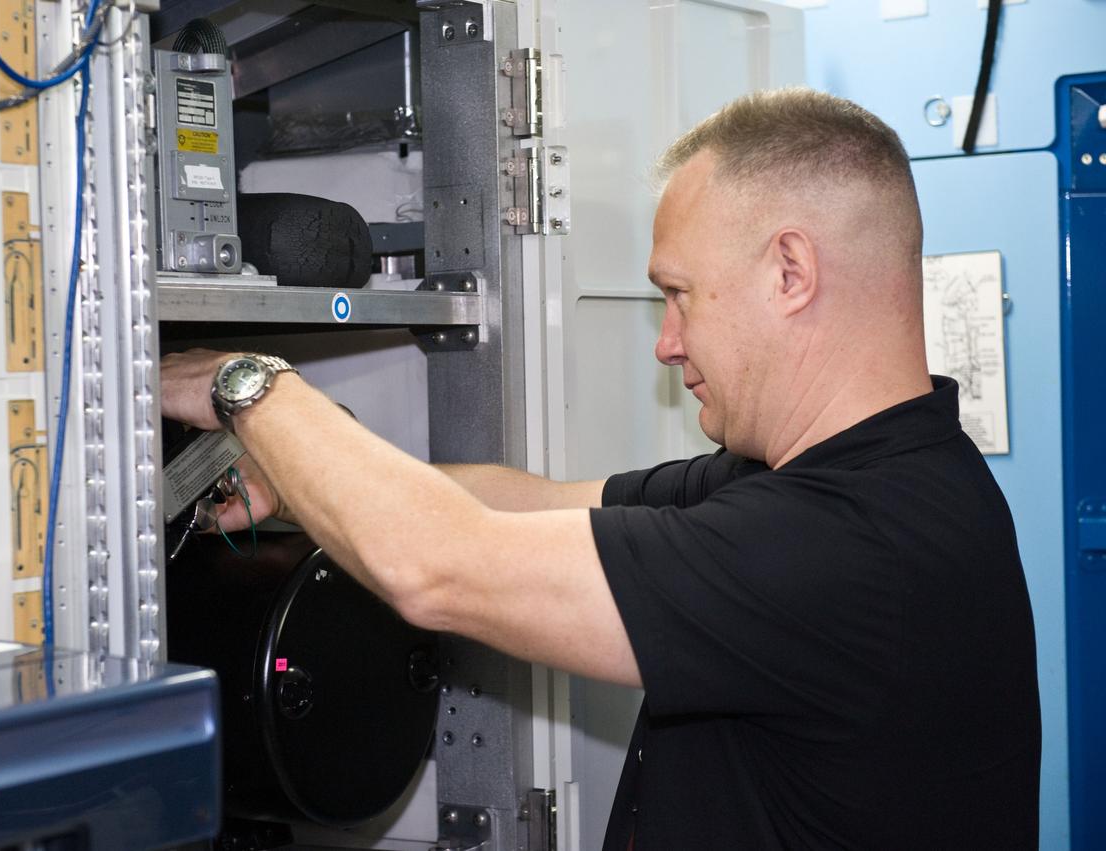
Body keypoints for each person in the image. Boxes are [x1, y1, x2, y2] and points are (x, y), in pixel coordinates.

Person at [160, 88, 1040, 850]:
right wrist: (298, 480)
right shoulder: (829, 484)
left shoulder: (852, 549)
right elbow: (525, 506)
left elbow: (440, 566)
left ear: (790, 271)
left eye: (680, 294)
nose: (666, 342)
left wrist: (251, 384)